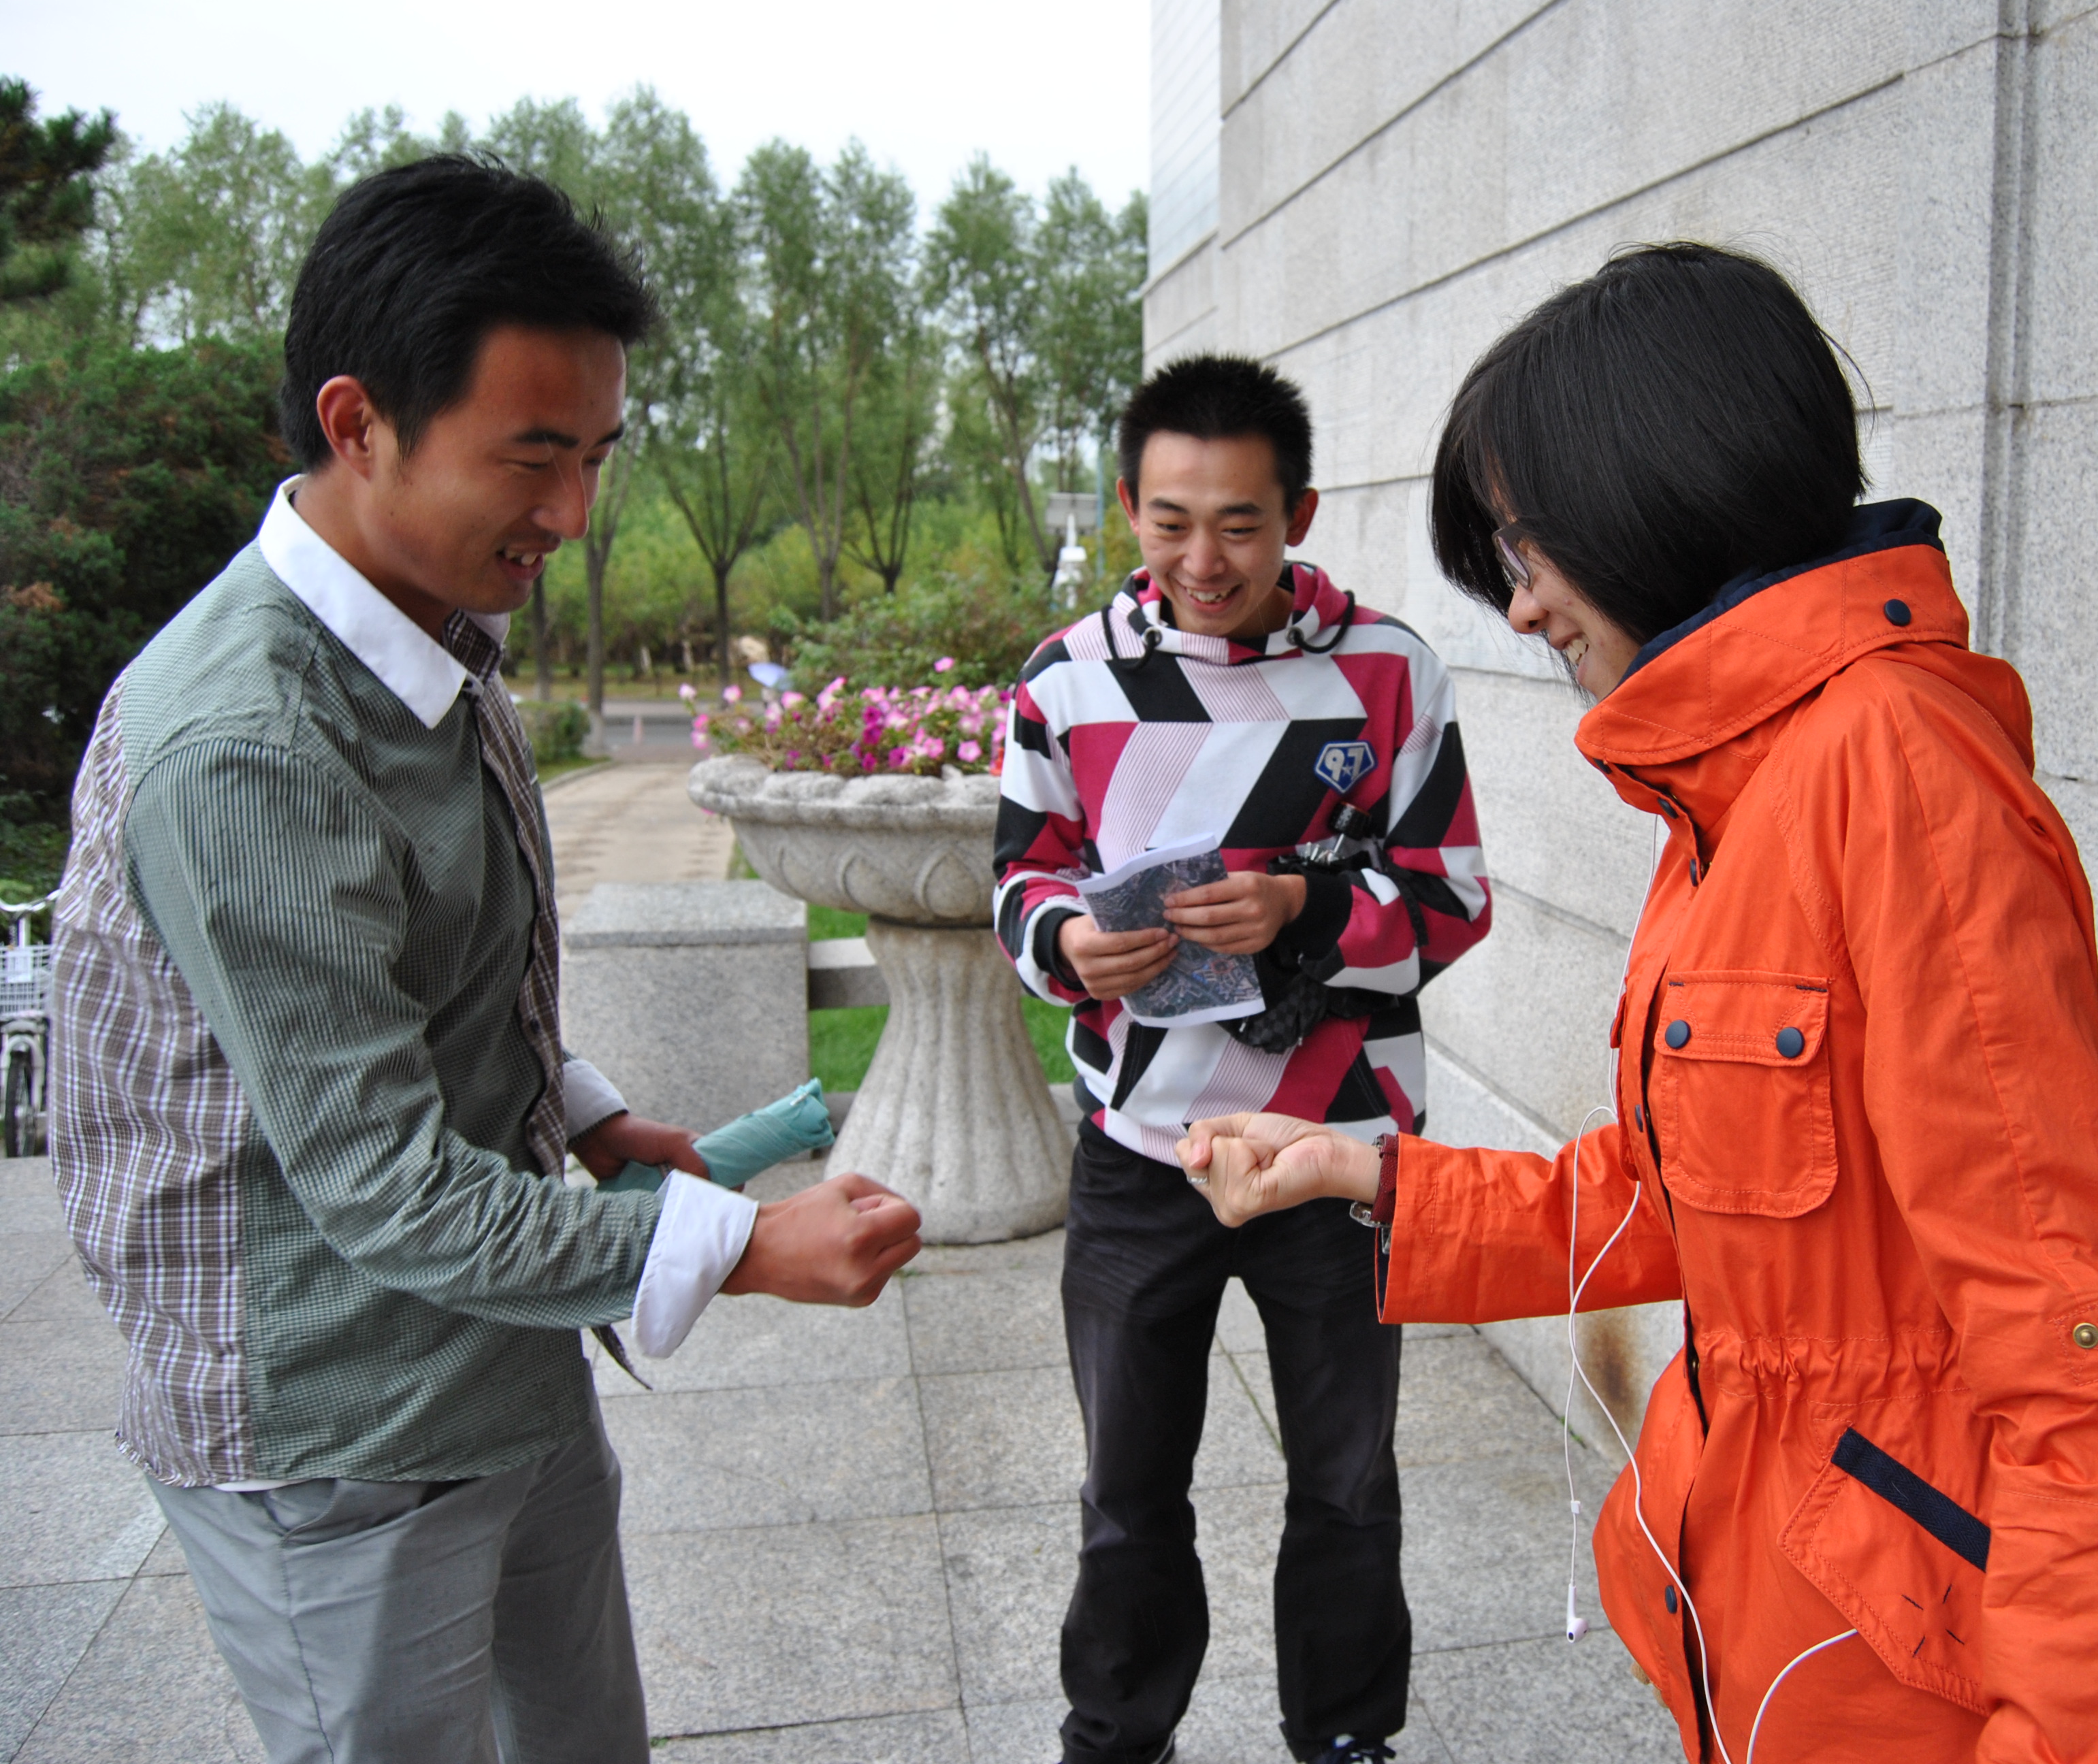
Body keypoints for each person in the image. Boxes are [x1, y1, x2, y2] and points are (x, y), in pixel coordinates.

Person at [1178, 245, 2098, 1763]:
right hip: (1772, 1618)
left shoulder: (1894, 768)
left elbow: (2081, 1350)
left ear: (1653, 490)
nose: (1524, 609)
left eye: (1525, 552)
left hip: (1898, 1676)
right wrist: (1370, 1175)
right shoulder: (1734, 789)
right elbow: (1691, 1193)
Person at [47, 156, 922, 1764]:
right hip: (341, 1433)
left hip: (501, 1352)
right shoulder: (248, 745)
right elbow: (381, 1188)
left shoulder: (436, 634)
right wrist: (739, 1245)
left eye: (593, 456)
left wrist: (585, 1110)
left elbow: (428, 968)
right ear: (357, 421)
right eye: (532, 456)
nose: (573, 517)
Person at [992, 354, 1492, 1764]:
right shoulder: (1065, 681)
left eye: (1238, 525)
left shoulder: (1390, 669)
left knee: (1346, 1480)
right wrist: (1064, 943)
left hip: (1340, 1150)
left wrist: (1301, 911)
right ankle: (1116, 1734)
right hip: (1138, 1149)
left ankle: (1345, 1739)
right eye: (1170, 522)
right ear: (1127, 509)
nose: (1202, 561)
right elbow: (1019, 877)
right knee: (1126, 1486)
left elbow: (1453, 901)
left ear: (1300, 516)